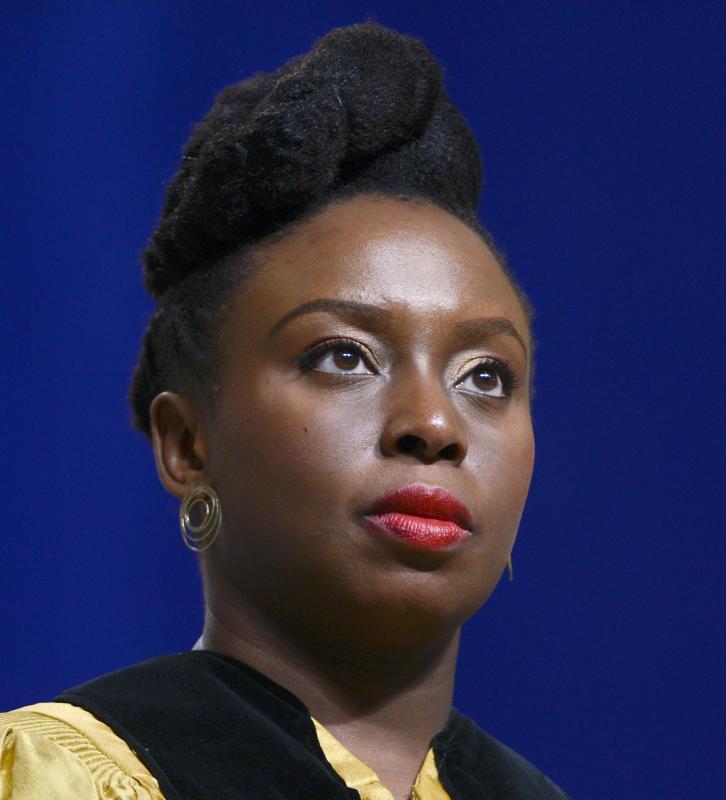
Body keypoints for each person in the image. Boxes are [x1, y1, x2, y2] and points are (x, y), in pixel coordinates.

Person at [0, 22, 570, 800]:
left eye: (486, 377)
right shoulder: (65, 775)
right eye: (343, 356)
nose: (433, 425)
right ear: (187, 444)